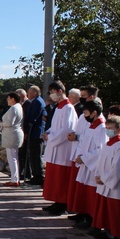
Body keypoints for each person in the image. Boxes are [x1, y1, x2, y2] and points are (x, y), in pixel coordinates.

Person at [92, 116, 120, 239]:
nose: (108, 131)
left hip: (115, 185)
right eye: (107, 128)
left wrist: (104, 179)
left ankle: (119, 236)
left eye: (110, 128)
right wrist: (98, 175)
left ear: (119, 129)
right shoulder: (107, 144)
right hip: (104, 183)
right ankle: (108, 230)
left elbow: (118, 168)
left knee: (117, 211)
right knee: (107, 209)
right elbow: (100, 162)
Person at [67, 101, 106, 229]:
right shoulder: (91, 126)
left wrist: (84, 158)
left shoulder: (102, 128)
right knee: (85, 191)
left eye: (86, 113)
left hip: (92, 166)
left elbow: (101, 149)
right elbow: (83, 142)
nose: (84, 115)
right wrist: (79, 156)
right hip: (85, 163)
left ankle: (92, 220)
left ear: (94, 113)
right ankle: (85, 216)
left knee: (92, 193)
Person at [42, 81, 77, 215]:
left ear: (60, 91)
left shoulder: (68, 108)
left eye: (52, 92)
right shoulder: (59, 107)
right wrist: (48, 133)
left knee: (61, 178)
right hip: (55, 147)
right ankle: (57, 201)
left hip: (63, 149)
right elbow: (55, 127)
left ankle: (62, 203)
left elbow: (66, 129)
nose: (51, 95)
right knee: (55, 177)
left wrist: (51, 137)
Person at [23, 86, 45, 185]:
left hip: (36, 133)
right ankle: (35, 175)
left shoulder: (38, 102)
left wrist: (27, 130)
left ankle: (38, 176)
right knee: (33, 155)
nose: (28, 93)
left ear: (35, 93)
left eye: (29, 92)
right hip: (34, 133)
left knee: (36, 155)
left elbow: (33, 117)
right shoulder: (35, 101)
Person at [1, 92, 24, 187]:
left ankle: (14, 179)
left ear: (13, 99)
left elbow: (10, 122)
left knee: (12, 157)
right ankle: (15, 178)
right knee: (13, 157)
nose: (7, 100)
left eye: (8, 98)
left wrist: (1, 124)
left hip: (11, 134)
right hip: (14, 133)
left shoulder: (14, 108)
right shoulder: (18, 107)